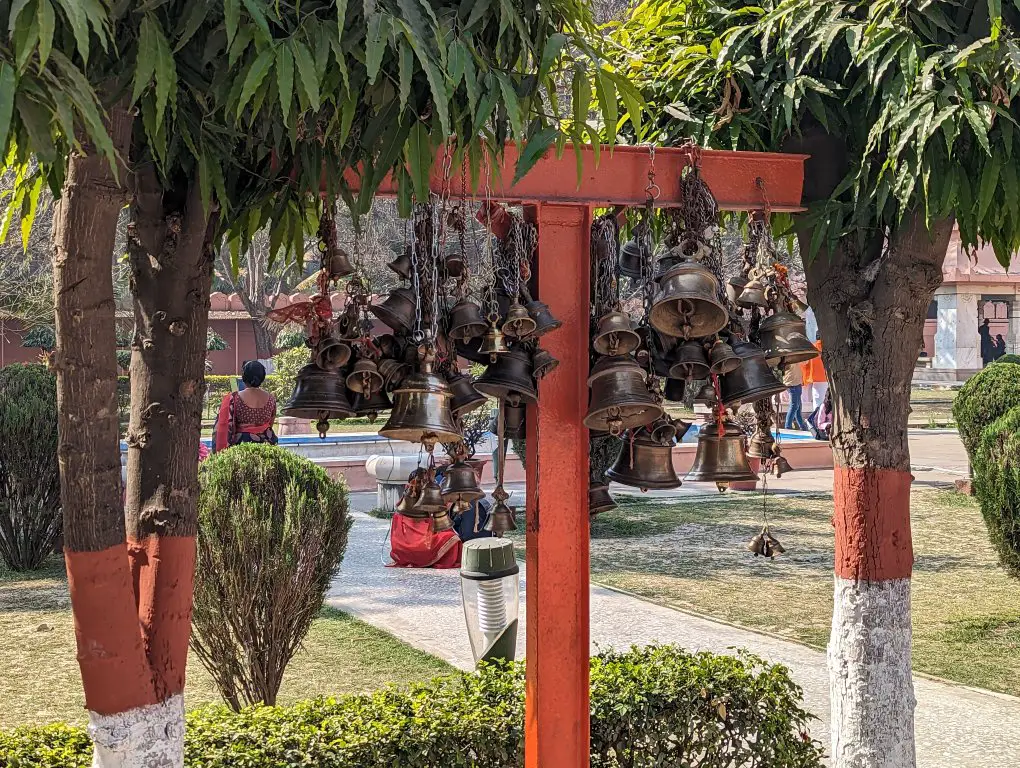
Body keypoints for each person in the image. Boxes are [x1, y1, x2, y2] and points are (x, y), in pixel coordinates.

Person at [212, 360, 278, 452]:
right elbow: (270, 423)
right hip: (267, 447)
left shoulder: (234, 398)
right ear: (262, 377)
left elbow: (224, 426)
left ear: (244, 377)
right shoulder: (271, 399)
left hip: (242, 447)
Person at [801, 335, 827, 412]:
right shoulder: (827, 348)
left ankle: (816, 418)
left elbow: (805, 364)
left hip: (816, 378)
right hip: (827, 377)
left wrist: (806, 378)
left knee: (818, 400)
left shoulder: (812, 347)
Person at [783, 363, 808, 431]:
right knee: (794, 406)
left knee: (798, 407)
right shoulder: (787, 359)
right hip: (791, 384)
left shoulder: (797, 357)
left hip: (797, 383)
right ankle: (788, 426)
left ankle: (802, 426)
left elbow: (806, 362)